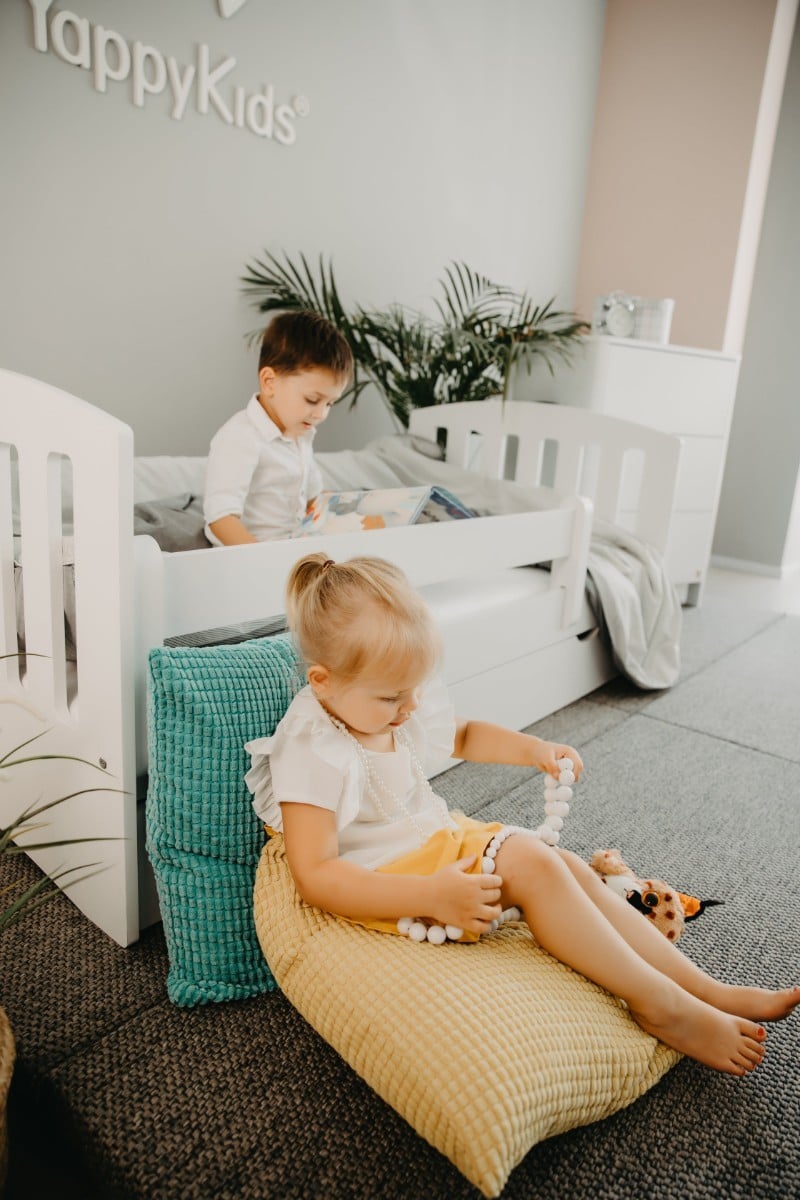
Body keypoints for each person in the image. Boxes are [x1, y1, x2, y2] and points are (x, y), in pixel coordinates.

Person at [245, 552, 800, 1076]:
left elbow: (463, 734)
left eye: (414, 691)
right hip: (397, 878)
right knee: (534, 863)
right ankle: (659, 1005)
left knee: (570, 869)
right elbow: (316, 874)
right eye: (393, 697)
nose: (410, 708)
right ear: (323, 682)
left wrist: (533, 749)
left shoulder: (392, 704)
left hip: (438, 841)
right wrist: (428, 896)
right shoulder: (313, 746)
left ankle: (703, 988)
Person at [204, 311, 353, 545]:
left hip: (296, 547)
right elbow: (220, 518)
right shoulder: (240, 436)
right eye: (312, 400)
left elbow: (315, 498)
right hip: (252, 552)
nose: (321, 414)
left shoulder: (302, 434)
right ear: (269, 382)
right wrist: (264, 558)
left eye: (329, 404)